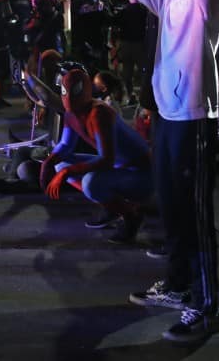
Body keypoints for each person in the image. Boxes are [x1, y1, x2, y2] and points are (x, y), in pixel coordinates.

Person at [58, 0, 219, 345]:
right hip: (170, 117)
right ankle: (179, 285)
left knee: (196, 215)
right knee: (173, 209)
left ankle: (206, 304)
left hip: (196, 118)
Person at [42, 69, 152, 244]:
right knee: (60, 165)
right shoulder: (72, 114)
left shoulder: (98, 113)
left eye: (74, 90)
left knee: (89, 182)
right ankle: (112, 205)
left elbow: (106, 159)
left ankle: (131, 214)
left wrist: (67, 172)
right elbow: (65, 145)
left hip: (141, 174)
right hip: (119, 168)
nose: (68, 96)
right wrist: (49, 161)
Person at [115, 0, 148, 103]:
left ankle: (131, 94)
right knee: (143, 71)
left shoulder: (124, 11)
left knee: (127, 72)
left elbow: (115, 21)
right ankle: (144, 95)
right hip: (139, 44)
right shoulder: (143, 11)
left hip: (126, 45)